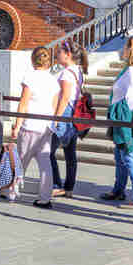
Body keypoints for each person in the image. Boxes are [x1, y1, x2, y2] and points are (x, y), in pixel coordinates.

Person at [7, 46, 61, 207]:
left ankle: (10, 191)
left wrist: (16, 126)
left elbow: (23, 104)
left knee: (21, 160)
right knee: (45, 163)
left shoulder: (29, 78)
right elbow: (54, 104)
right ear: (48, 62)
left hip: (30, 125)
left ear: (33, 60)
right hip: (46, 126)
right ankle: (45, 197)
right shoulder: (53, 80)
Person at [102, 35, 133, 208]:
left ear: (132, 50)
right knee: (120, 156)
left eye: (125, 47)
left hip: (128, 121)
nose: (123, 49)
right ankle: (118, 189)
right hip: (125, 120)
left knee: (130, 156)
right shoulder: (132, 70)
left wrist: (121, 118)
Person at [49, 40, 87, 199]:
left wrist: (55, 118)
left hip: (64, 114)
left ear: (68, 55)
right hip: (73, 115)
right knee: (70, 153)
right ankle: (69, 187)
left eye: (60, 52)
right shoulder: (78, 71)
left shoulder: (66, 73)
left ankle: (57, 185)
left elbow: (64, 97)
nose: (57, 55)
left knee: (48, 152)